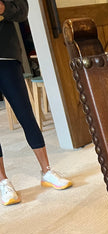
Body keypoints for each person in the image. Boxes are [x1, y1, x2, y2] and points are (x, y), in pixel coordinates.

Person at [0, 0, 72, 206]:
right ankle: (3, 181)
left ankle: (46, 171)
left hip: (6, 55)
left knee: (25, 114)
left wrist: (4, 8)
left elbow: (22, 10)